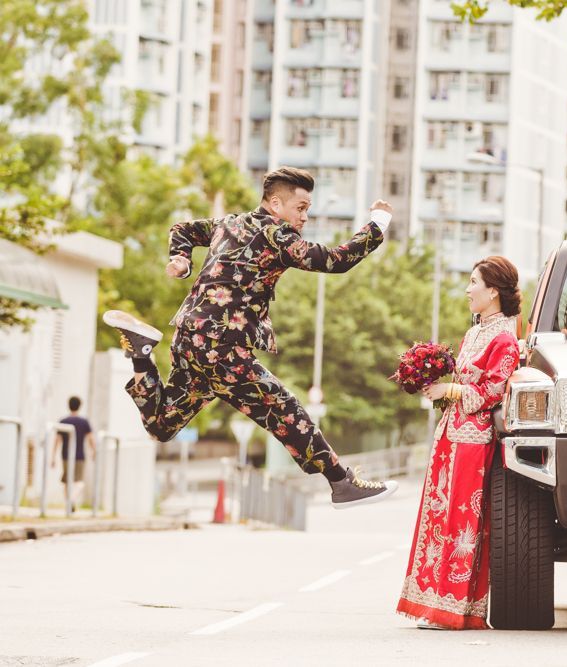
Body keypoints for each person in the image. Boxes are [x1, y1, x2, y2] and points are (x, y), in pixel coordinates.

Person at [102, 166, 397, 507]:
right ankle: (341, 483)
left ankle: (141, 354)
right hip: (222, 345)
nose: (304, 217)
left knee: (162, 424)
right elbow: (334, 260)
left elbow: (182, 228)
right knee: (283, 408)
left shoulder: (229, 223)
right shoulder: (277, 234)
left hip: (190, 337)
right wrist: (377, 225)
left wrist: (181, 258)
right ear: (275, 203)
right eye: (300, 208)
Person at [397, 256, 522, 630]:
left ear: (493, 291)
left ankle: (455, 608)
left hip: (475, 443)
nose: (468, 290)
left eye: (473, 282)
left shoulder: (505, 339)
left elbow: (493, 391)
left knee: (464, 524)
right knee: (438, 519)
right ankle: (432, 602)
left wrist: (451, 389)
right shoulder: (473, 334)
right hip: (449, 438)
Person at [52, 396, 96, 513]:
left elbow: (57, 440)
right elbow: (91, 438)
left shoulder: (63, 421)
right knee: (79, 482)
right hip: (80, 455)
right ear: (79, 406)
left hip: (65, 455)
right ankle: (72, 500)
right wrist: (94, 451)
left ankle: (68, 502)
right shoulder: (84, 422)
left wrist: (53, 456)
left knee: (67, 481)